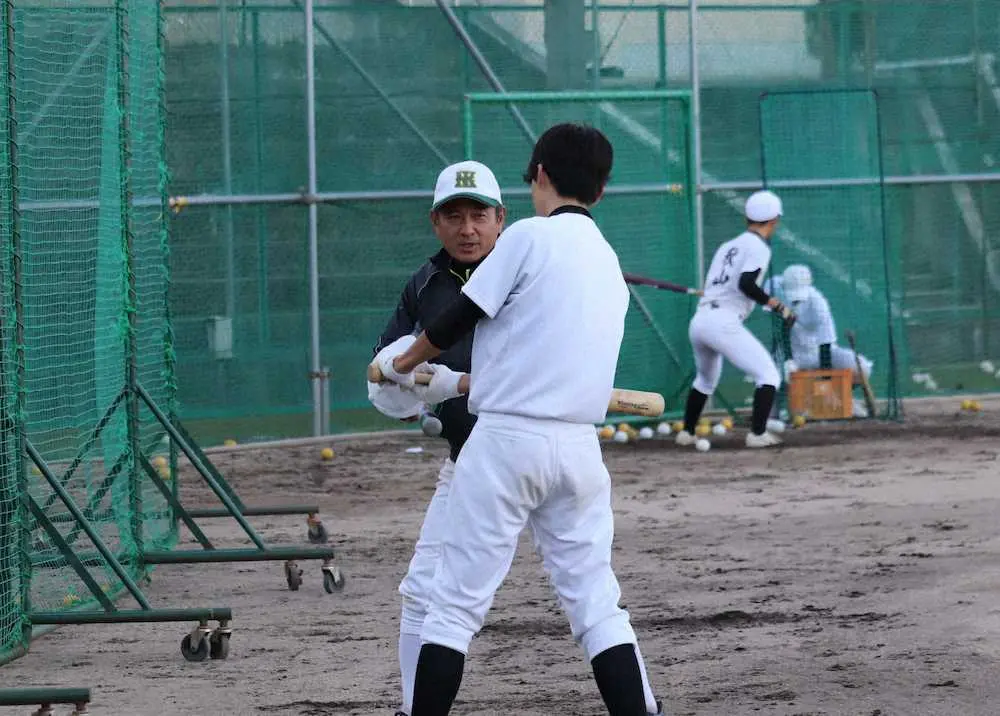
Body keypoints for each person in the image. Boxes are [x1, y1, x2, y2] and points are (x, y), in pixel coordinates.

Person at [370, 124, 664, 716]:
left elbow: (459, 319)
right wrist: (449, 380)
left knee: (451, 608)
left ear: (539, 177)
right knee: (597, 606)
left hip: (504, 442)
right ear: (602, 191)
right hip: (580, 448)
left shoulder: (528, 237)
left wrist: (402, 362)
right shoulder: (608, 260)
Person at [369, 160, 505, 716]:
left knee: (591, 601)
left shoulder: (529, 272)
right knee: (420, 592)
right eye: (454, 216)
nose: (467, 228)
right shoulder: (424, 285)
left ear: (501, 219)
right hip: (467, 460)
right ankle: (411, 708)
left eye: (479, 215)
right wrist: (420, 390)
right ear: (435, 222)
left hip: (529, 451)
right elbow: (387, 375)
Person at [675, 190, 796, 449]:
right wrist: (775, 304)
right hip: (722, 321)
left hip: (701, 320)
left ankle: (687, 432)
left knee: (705, 381)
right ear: (774, 220)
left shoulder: (727, 246)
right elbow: (746, 284)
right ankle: (757, 434)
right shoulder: (759, 246)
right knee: (768, 375)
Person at [776, 263, 874, 417]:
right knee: (769, 376)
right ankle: (785, 408)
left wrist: (827, 385)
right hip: (794, 356)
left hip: (820, 353)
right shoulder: (775, 290)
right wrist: (788, 359)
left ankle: (842, 399)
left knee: (861, 367)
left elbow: (825, 344)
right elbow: (782, 329)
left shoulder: (818, 303)